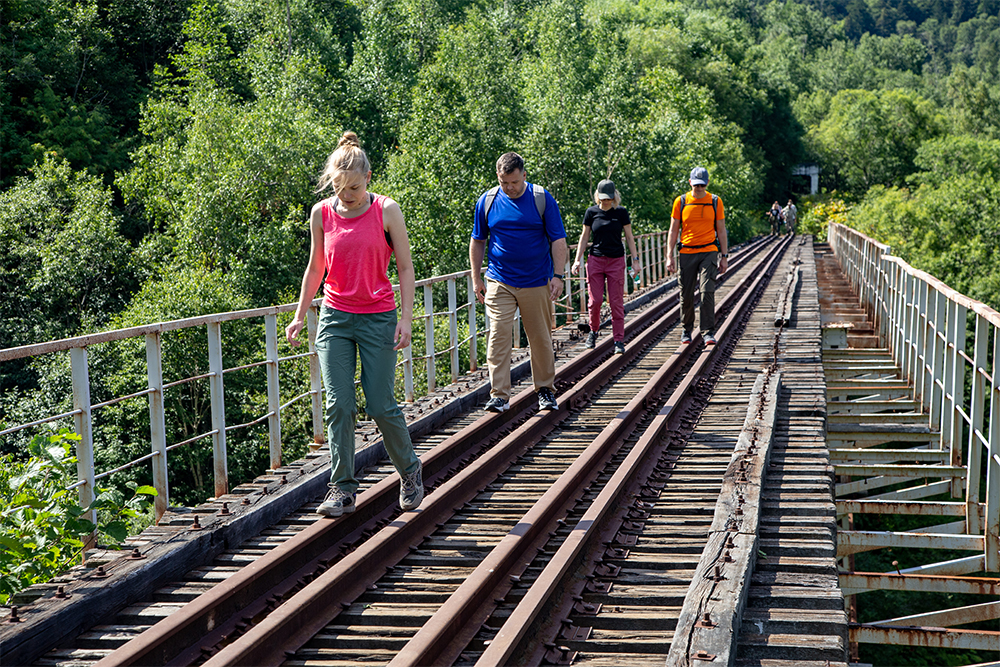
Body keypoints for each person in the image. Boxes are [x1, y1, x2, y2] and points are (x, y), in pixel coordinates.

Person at [285, 132, 423, 518]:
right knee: (339, 404)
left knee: (380, 404)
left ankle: (410, 471)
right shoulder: (321, 213)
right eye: (340, 187)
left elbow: (406, 268)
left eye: (355, 187)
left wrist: (407, 319)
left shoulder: (386, 210)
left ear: (369, 178)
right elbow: (316, 268)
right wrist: (299, 315)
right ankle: (341, 488)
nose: (347, 195)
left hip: (378, 316)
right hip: (334, 316)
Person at [470, 152, 568, 413]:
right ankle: (499, 395)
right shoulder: (488, 201)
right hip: (499, 279)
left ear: (524, 175)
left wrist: (557, 276)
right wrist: (476, 277)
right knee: (498, 336)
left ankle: (545, 390)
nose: (509, 188)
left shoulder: (541, 199)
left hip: (536, 280)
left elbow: (558, 239)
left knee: (540, 338)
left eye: (514, 182)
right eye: (504, 182)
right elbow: (478, 240)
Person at [570, 179, 640, 355]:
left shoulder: (621, 213)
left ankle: (618, 339)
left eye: (608, 198)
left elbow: (630, 237)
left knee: (616, 302)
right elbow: (584, 237)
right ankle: (593, 331)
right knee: (595, 301)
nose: (606, 201)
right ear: (598, 197)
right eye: (602, 199)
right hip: (595, 260)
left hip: (616, 261)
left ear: (614, 196)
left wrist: (636, 260)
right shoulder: (591, 212)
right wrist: (577, 259)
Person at [666, 166, 729, 346]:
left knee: (706, 291)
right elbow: (673, 230)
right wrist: (669, 256)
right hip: (686, 252)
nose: (699, 189)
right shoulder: (681, 201)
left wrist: (724, 256)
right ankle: (687, 329)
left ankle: (708, 331)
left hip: (709, 251)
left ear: (707, 183)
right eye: (696, 185)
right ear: (690, 183)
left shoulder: (715, 201)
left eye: (702, 185)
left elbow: (721, 230)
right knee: (686, 293)